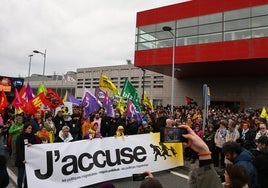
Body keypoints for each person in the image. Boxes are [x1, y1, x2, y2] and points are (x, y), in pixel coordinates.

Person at [16, 122, 37, 188]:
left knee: (27, 177)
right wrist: (22, 159)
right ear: (25, 129)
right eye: (29, 128)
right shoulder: (20, 137)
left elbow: (36, 145)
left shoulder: (33, 136)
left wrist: (32, 145)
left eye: (31, 128)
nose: (30, 130)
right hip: (22, 160)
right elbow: (18, 149)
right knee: (20, 176)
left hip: (29, 160)